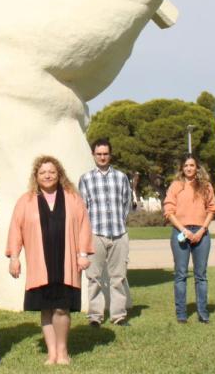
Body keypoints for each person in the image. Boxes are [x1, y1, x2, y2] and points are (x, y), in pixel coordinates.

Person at [6, 156, 93, 365]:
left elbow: (83, 227)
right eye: (43, 172)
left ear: (59, 174)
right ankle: (51, 353)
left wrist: (82, 255)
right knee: (46, 308)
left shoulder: (73, 198)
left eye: (52, 172)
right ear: (36, 176)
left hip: (67, 263)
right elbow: (15, 230)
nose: (47, 175)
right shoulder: (25, 201)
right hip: (40, 264)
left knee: (62, 307)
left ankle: (62, 352)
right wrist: (14, 258)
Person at [78, 138, 133, 327]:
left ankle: (118, 316)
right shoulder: (86, 179)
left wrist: (119, 221)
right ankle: (95, 317)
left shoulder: (121, 177)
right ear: (93, 155)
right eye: (99, 154)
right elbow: (82, 208)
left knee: (118, 277)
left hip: (118, 233)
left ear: (110, 155)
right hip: (95, 234)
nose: (102, 157)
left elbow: (127, 203)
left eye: (105, 154)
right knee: (94, 278)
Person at [162, 154, 215, 324]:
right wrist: (184, 230)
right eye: (186, 165)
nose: (189, 168)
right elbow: (168, 211)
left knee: (201, 275)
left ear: (197, 167)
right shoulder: (175, 186)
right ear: (182, 168)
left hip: (201, 233)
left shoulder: (206, 186)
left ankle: (203, 312)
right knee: (180, 275)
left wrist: (202, 229)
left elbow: (212, 209)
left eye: (192, 165)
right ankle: (181, 313)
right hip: (181, 232)